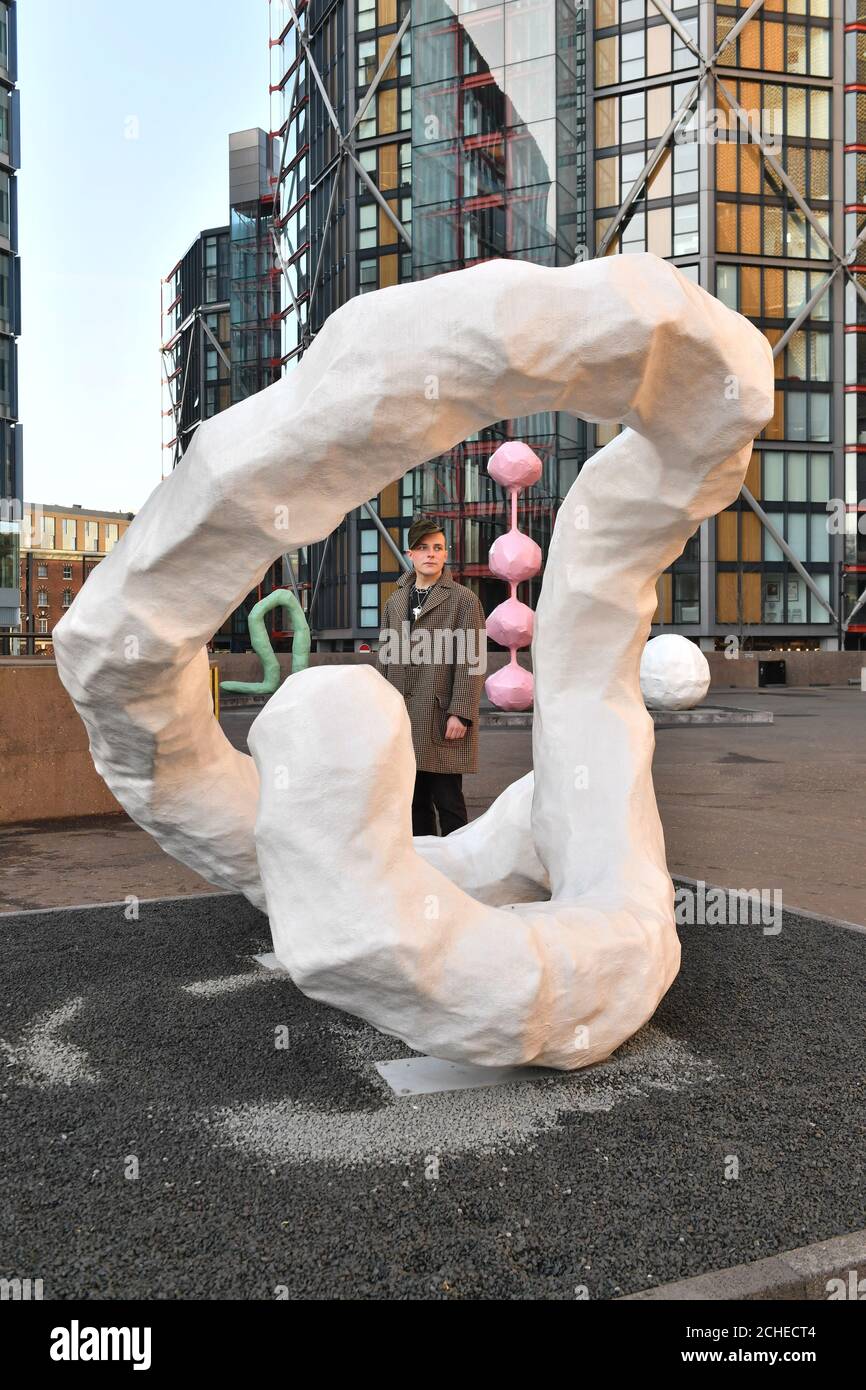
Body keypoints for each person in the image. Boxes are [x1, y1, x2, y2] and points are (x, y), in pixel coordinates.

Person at [375, 516, 486, 836]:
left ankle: (460, 871)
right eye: (423, 548)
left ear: (446, 554)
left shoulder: (463, 600)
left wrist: (461, 712)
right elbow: (385, 656)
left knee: (449, 801)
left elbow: (472, 660)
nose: (431, 554)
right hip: (403, 717)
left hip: (440, 714)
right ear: (410, 554)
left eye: (437, 548)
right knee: (412, 801)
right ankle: (423, 864)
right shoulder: (395, 601)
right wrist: (382, 711)